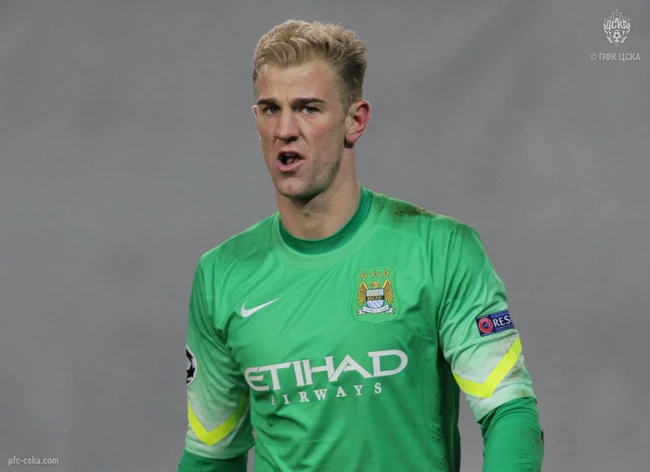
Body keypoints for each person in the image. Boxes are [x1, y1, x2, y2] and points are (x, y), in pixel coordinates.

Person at [177, 19, 544, 472]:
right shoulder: (221, 275)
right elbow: (211, 455)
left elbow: (510, 412)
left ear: (355, 121)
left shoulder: (441, 251)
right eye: (271, 109)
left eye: (308, 109)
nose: (285, 129)